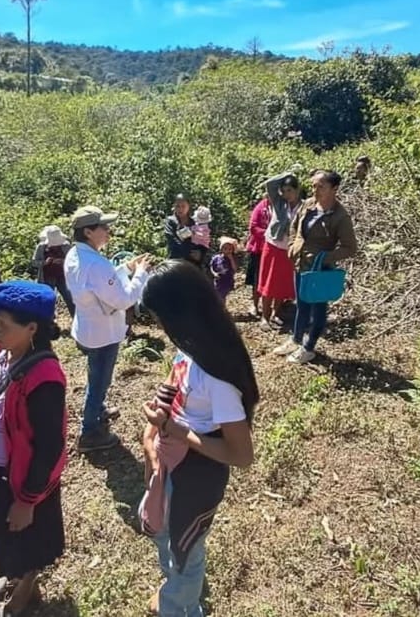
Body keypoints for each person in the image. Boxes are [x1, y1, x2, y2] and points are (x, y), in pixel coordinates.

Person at [138, 260, 260, 617]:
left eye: (159, 317)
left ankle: (179, 605)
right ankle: (174, 590)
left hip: (196, 475)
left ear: (179, 315)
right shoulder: (191, 349)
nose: (159, 325)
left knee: (187, 551)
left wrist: (175, 430)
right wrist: (153, 434)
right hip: (172, 462)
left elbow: (242, 455)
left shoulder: (218, 381)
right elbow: (174, 382)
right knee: (168, 536)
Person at [0, 281, 67, 616]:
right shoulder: (0, 351)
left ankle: (27, 583)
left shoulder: (44, 377)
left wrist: (27, 500)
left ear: (32, 328)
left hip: (23, 476)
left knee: (25, 532)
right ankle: (14, 573)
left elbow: (50, 446)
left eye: (3, 324)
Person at [65, 205, 152, 451]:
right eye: (104, 227)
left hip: (88, 328)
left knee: (96, 375)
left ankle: (97, 409)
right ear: (88, 232)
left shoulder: (75, 255)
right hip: (103, 333)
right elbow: (124, 300)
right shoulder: (96, 264)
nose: (108, 231)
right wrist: (141, 274)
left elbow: (101, 284)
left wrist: (126, 269)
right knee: (99, 381)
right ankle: (89, 432)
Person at [274, 170, 357, 364]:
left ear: (334, 189)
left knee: (318, 310)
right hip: (300, 263)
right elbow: (295, 225)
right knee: (301, 304)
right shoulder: (308, 205)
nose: (315, 190)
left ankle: (309, 348)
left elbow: (350, 247)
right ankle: (296, 339)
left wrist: (325, 257)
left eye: (321, 186)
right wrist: (292, 246)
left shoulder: (340, 216)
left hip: (320, 270)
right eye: (313, 186)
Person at [258, 173, 302, 331]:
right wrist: (288, 174)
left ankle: (276, 313)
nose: (287, 194)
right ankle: (264, 317)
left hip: (289, 250)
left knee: (282, 283)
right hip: (273, 246)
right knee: (269, 282)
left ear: (297, 190)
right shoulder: (279, 202)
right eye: (284, 190)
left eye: (290, 190)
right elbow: (270, 184)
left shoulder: (304, 207)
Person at [32, 225, 75, 317]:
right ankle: (49, 321)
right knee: (47, 300)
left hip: (63, 277)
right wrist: (45, 262)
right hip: (47, 277)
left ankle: (76, 318)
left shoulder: (66, 246)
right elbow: (34, 262)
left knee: (70, 298)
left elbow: (74, 261)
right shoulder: (41, 247)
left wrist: (63, 261)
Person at [244, 193, 271, 318]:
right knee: (257, 278)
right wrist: (269, 233)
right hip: (259, 249)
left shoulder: (282, 206)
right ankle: (255, 305)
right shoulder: (261, 207)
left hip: (275, 249)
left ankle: (271, 308)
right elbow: (253, 227)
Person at [164, 195, 203, 267]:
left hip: (192, 263)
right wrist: (188, 253)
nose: (180, 209)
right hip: (175, 261)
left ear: (188, 206)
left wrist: (200, 253)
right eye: (177, 206)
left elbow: (200, 242)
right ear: (174, 206)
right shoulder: (170, 221)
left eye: (183, 206)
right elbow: (172, 240)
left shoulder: (194, 223)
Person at [210, 237, 240, 303]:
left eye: (230, 249)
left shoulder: (233, 259)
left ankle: (221, 305)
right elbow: (212, 267)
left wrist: (231, 259)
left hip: (228, 280)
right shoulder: (216, 258)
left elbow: (235, 269)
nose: (227, 251)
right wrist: (214, 273)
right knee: (218, 294)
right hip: (218, 280)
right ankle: (220, 305)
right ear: (221, 249)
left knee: (222, 295)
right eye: (225, 248)